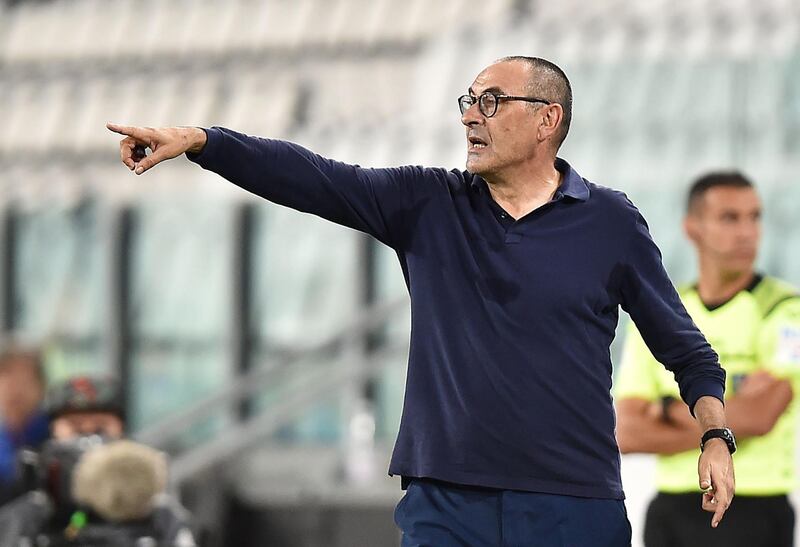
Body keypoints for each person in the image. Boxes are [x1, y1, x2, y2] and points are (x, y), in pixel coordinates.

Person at [108, 56, 735, 546]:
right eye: (468, 101)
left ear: (549, 120)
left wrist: (714, 437)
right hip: (445, 503)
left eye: (491, 102)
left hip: (571, 503)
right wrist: (201, 141)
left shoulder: (611, 223)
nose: (470, 116)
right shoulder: (429, 204)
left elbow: (686, 351)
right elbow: (314, 177)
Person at [615, 171, 800, 547]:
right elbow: (627, 431)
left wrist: (666, 410)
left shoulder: (785, 310)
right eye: (730, 218)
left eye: (755, 217)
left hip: (756, 507)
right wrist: (727, 415)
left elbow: (761, 415)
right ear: (692, 228)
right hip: (672, 510)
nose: (747, 232)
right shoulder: (664, 312)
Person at [0, 375, 195, 547]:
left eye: (100, 428)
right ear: (53, 432)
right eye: (75, 428)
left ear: (123, 434)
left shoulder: (159, 518)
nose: (88, 441)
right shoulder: (25, 520)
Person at [0, 344, 49, 506]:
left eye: (24, 381)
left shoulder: (55, 438)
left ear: (41, 387)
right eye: (7, 380)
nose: (16, 391)